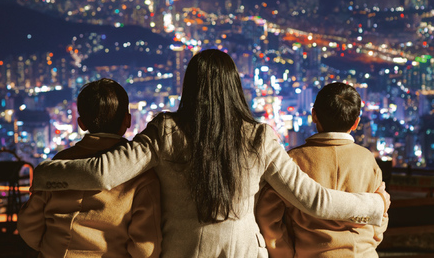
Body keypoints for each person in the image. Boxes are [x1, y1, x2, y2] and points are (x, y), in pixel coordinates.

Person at [31, 50, 389, 258]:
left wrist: (44, 173)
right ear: (235, 86)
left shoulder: (165, 132)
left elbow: (101, 174)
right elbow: (315, 201)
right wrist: (372, 207)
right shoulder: (259, 137)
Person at [17, 78, 162, 258]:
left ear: (81, 123)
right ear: (128, 120)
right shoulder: (140, 173)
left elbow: (28, 225)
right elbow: (146, 248)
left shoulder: (60, 162)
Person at [256, 82, 388, 258]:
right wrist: (368, 244)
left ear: (314, 116)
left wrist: (286, 253)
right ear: (356, 122)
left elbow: (268, 216)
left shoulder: (292, 161)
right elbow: (381, 215)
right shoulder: (367, 160)